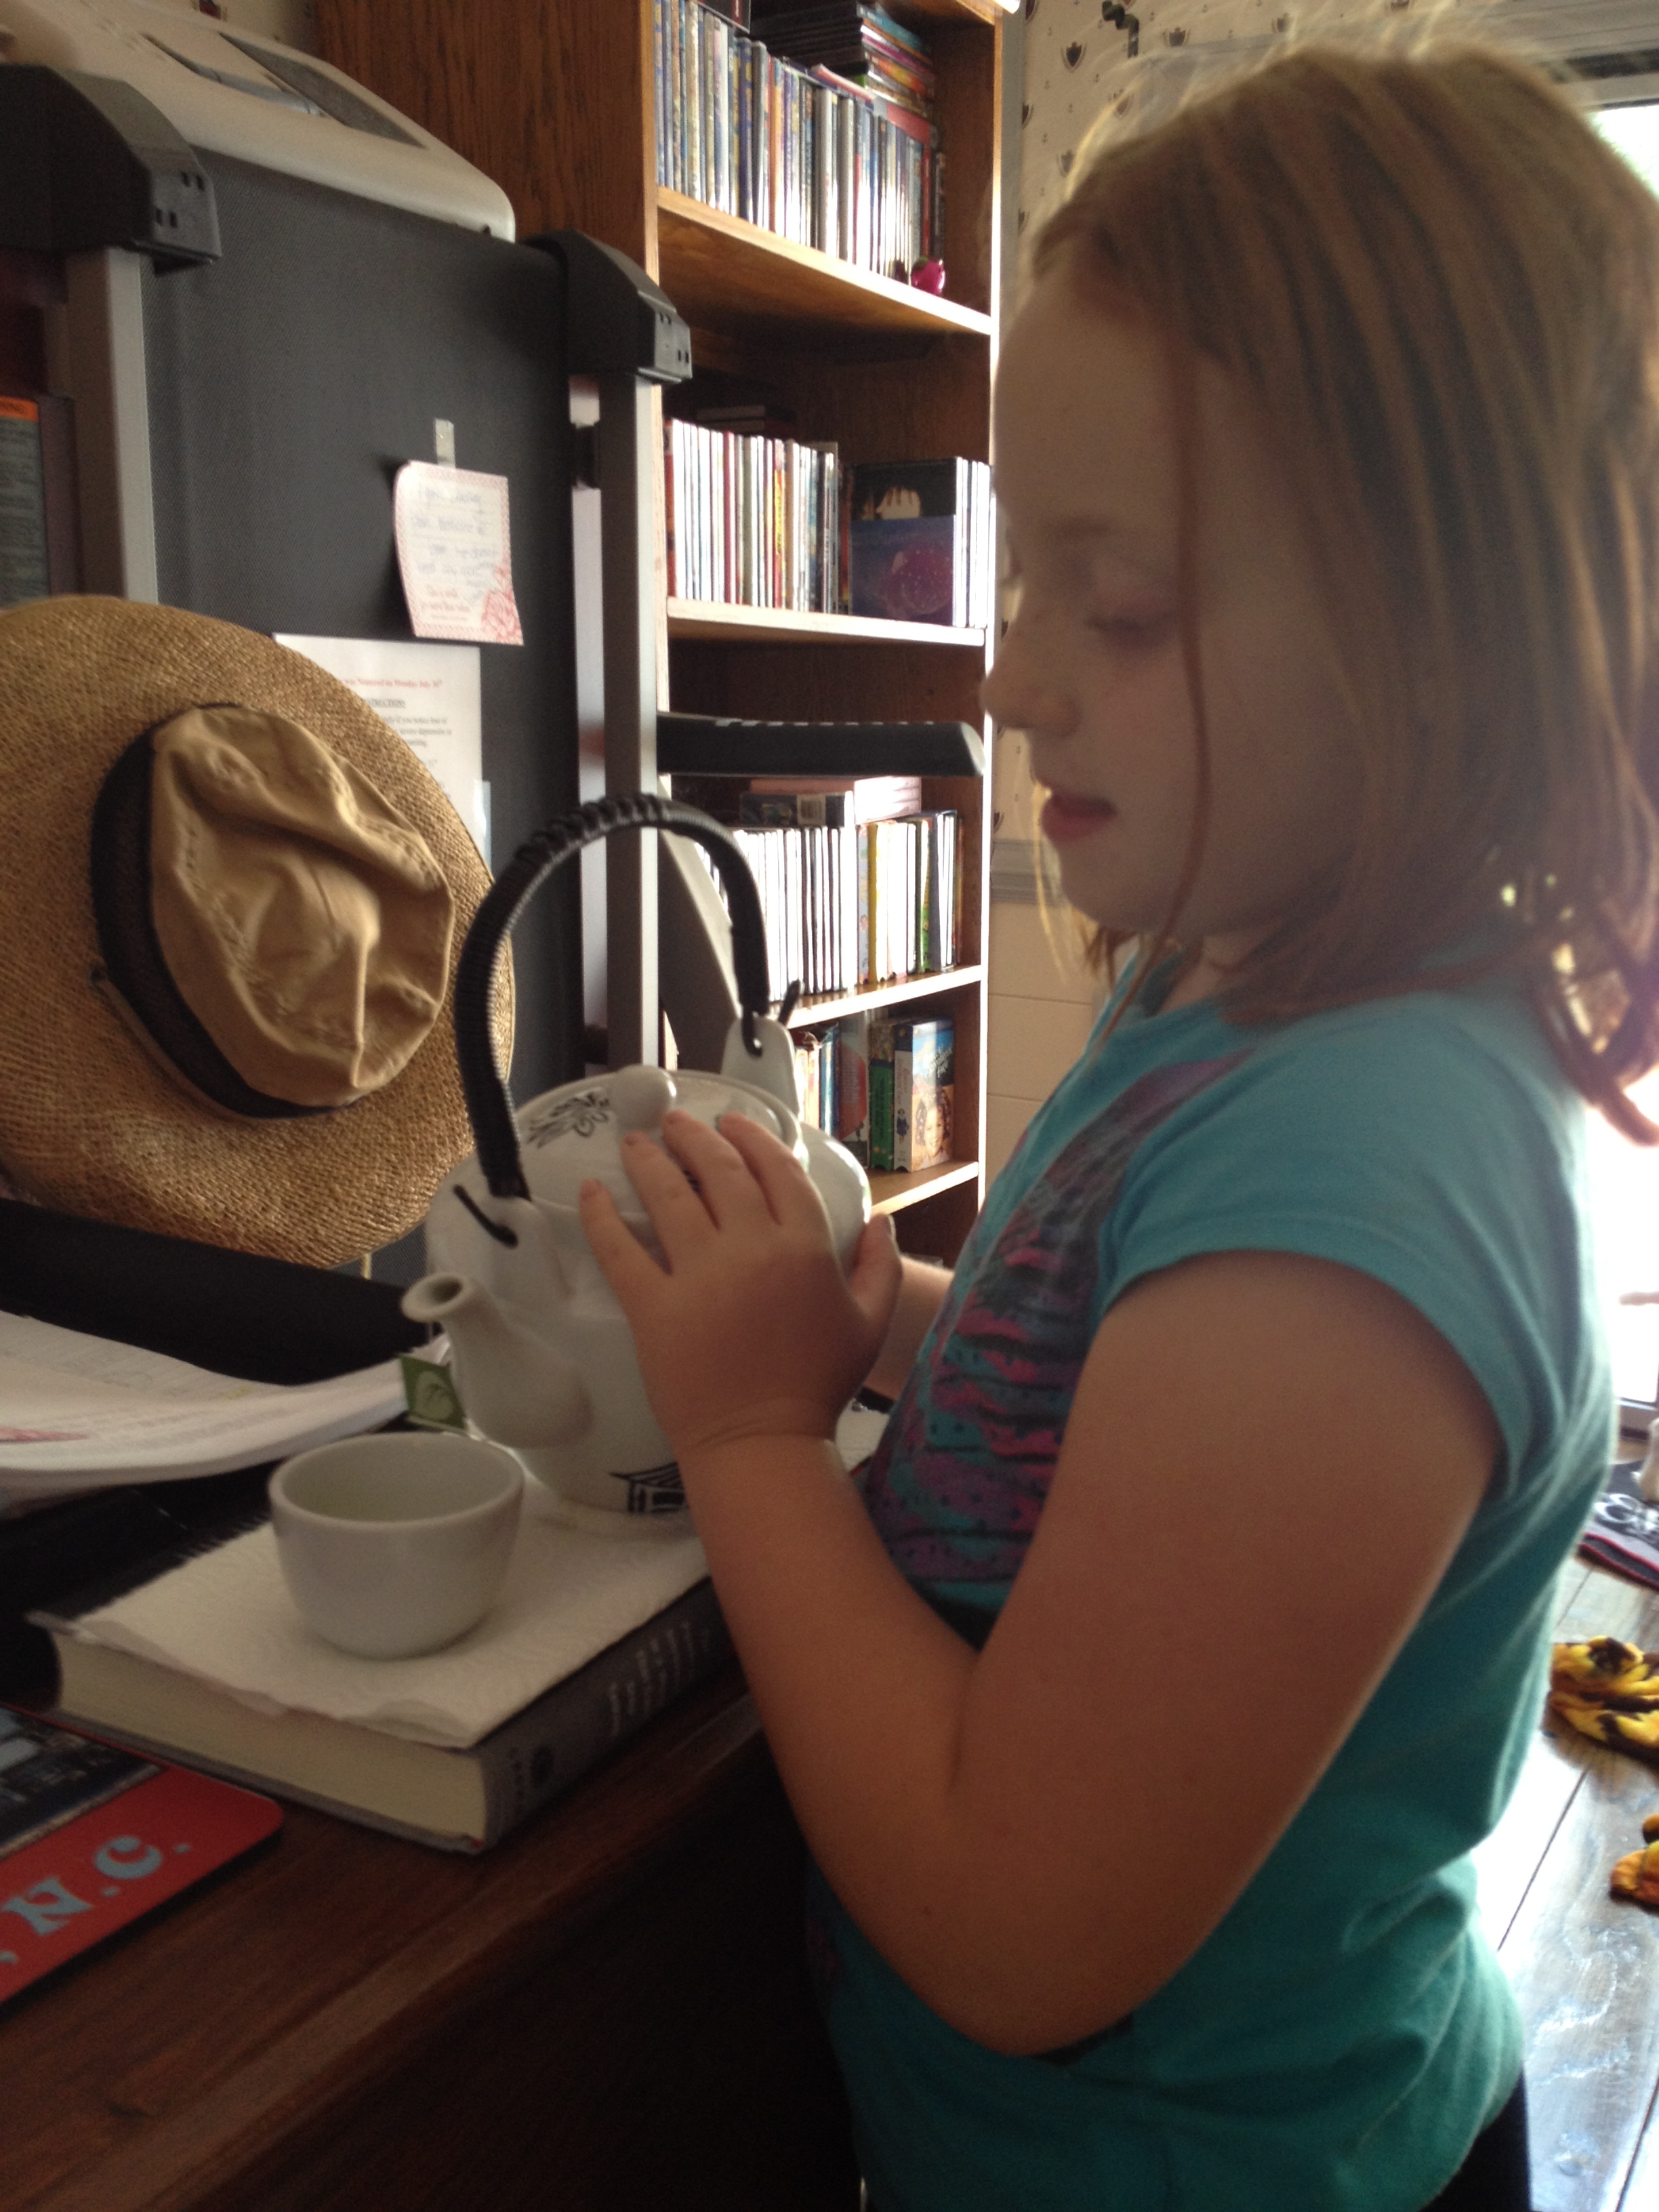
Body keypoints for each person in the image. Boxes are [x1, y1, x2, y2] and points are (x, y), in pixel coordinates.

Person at [579, 30, 1659, 2211]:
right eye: (1021, 584)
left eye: (1127, 606)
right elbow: (1107, 1397)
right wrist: (877, 1317)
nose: (1014, 678)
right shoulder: (1229, 983)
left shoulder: (1363, 1173)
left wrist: (754, 1435)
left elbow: (1014, 1922)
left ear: (1450, 648)